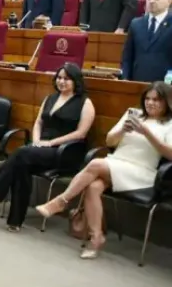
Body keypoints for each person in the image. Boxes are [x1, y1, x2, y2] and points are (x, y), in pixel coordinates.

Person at [36, 83, 172, 258]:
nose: (150, 103)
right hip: (116, 163)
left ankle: (61, 201)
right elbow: (109, 142)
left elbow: (169, 154)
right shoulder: (134, 114)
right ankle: (96, 238)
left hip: (142, 171)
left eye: (156, 100)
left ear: (166, 102)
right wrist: (123, 130)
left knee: (95, 165)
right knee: (93, 187)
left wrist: (147, 133)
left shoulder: (169, 124)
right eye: (147, 98)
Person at [0, 63, 95, 231]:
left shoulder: (85, 103)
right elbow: (38, 123)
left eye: (66, 79)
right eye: (59, 78)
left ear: (76, 81)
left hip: (65, 151)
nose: (61, 82)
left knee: (21, 154)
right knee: (21, 165)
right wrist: (36, 141)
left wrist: (50, 143)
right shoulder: (50, 98)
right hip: (40, 148)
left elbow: (81, 133)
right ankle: (15, 221)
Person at [121, 0, 172, 82]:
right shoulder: (136, 23)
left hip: (165, 84)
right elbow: (127, 55)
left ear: (169, 2)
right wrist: (125, 77)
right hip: (137, 79)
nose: (151, 1)